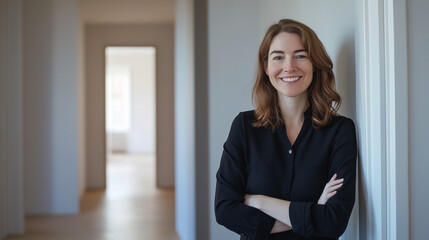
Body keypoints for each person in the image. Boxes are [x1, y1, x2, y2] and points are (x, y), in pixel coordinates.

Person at [214, 19, 357, 240]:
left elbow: (333, 222)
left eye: (300, 55)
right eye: (278, 57)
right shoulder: (244, 127)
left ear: (315, 64)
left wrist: (259, 201)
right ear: (266, 66)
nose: (289, 66)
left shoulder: (340, 131)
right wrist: (311, 211)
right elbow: (225, 210)